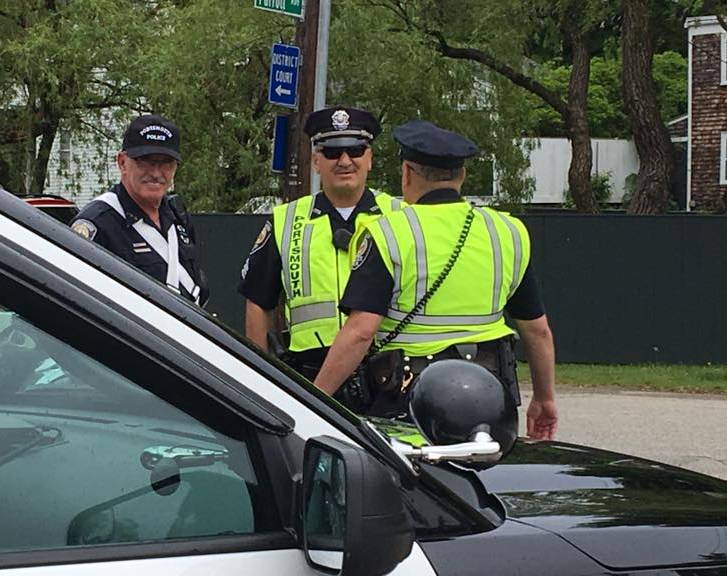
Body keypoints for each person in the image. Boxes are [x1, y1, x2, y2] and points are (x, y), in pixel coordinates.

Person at [313, 120, 558, 440]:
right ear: (462, 176)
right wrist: (545, 398)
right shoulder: (507, 232)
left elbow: (360, 333)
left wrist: (315, 400)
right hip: (489, 404)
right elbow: (537, 330)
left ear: (407, 173)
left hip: (409, 406)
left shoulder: (388, 233)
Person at [237, 106, 402, 382]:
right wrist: (261, 378)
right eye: (333, 152)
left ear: (370, 158)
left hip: (386, 373)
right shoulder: (286, 219)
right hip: (310, 374)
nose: (345, 161)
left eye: (356, 151)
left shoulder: (399, 216)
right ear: (316, 161)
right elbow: (257, 301)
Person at [70, 113, 208, 305]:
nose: (156, 173)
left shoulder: (178, 218)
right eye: (145, 161)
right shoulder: (99, 223)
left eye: (166, 163)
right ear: (122, 162)